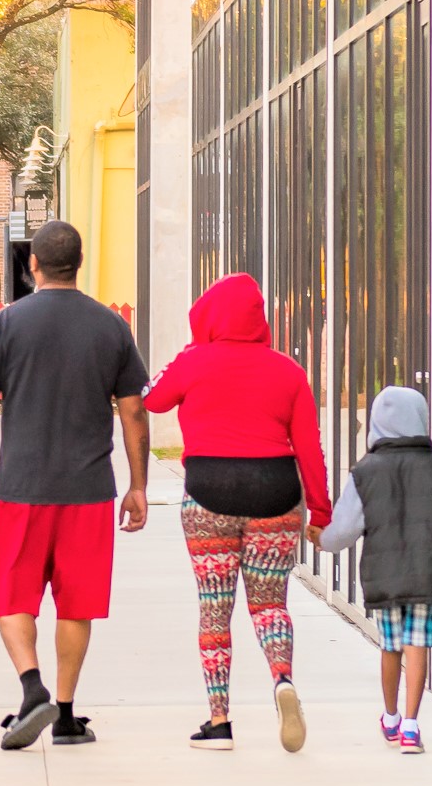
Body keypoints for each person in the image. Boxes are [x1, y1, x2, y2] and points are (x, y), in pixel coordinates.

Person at [0, 219, 150, 750]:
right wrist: (138, 485)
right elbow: (133, 413)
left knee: (12, 596)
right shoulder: (111, 327)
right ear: (78, 264)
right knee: (77, 604)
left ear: (31, 265)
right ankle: (63, 714)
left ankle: (30, 687)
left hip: (22, 486)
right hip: (88, 490)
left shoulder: (8, 323)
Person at [138, 273, 327, 749]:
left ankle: (219, 720)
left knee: (214, 610)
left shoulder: (194, 361)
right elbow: (309, 448)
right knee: (270, 605)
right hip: (275, 494)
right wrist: (320, 513)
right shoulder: (288, 370)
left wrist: (190, 352)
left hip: (209, 495)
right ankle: (282, 678)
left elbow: (153, 399)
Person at [323, 386, 432, 753]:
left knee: (391, 647)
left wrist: (320, 539)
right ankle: (411, 726)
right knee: (417, 643)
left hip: (385, 575)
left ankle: (389, 717)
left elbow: (343, 530)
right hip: (427, 570)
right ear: (422, 420)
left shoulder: (365, 471)